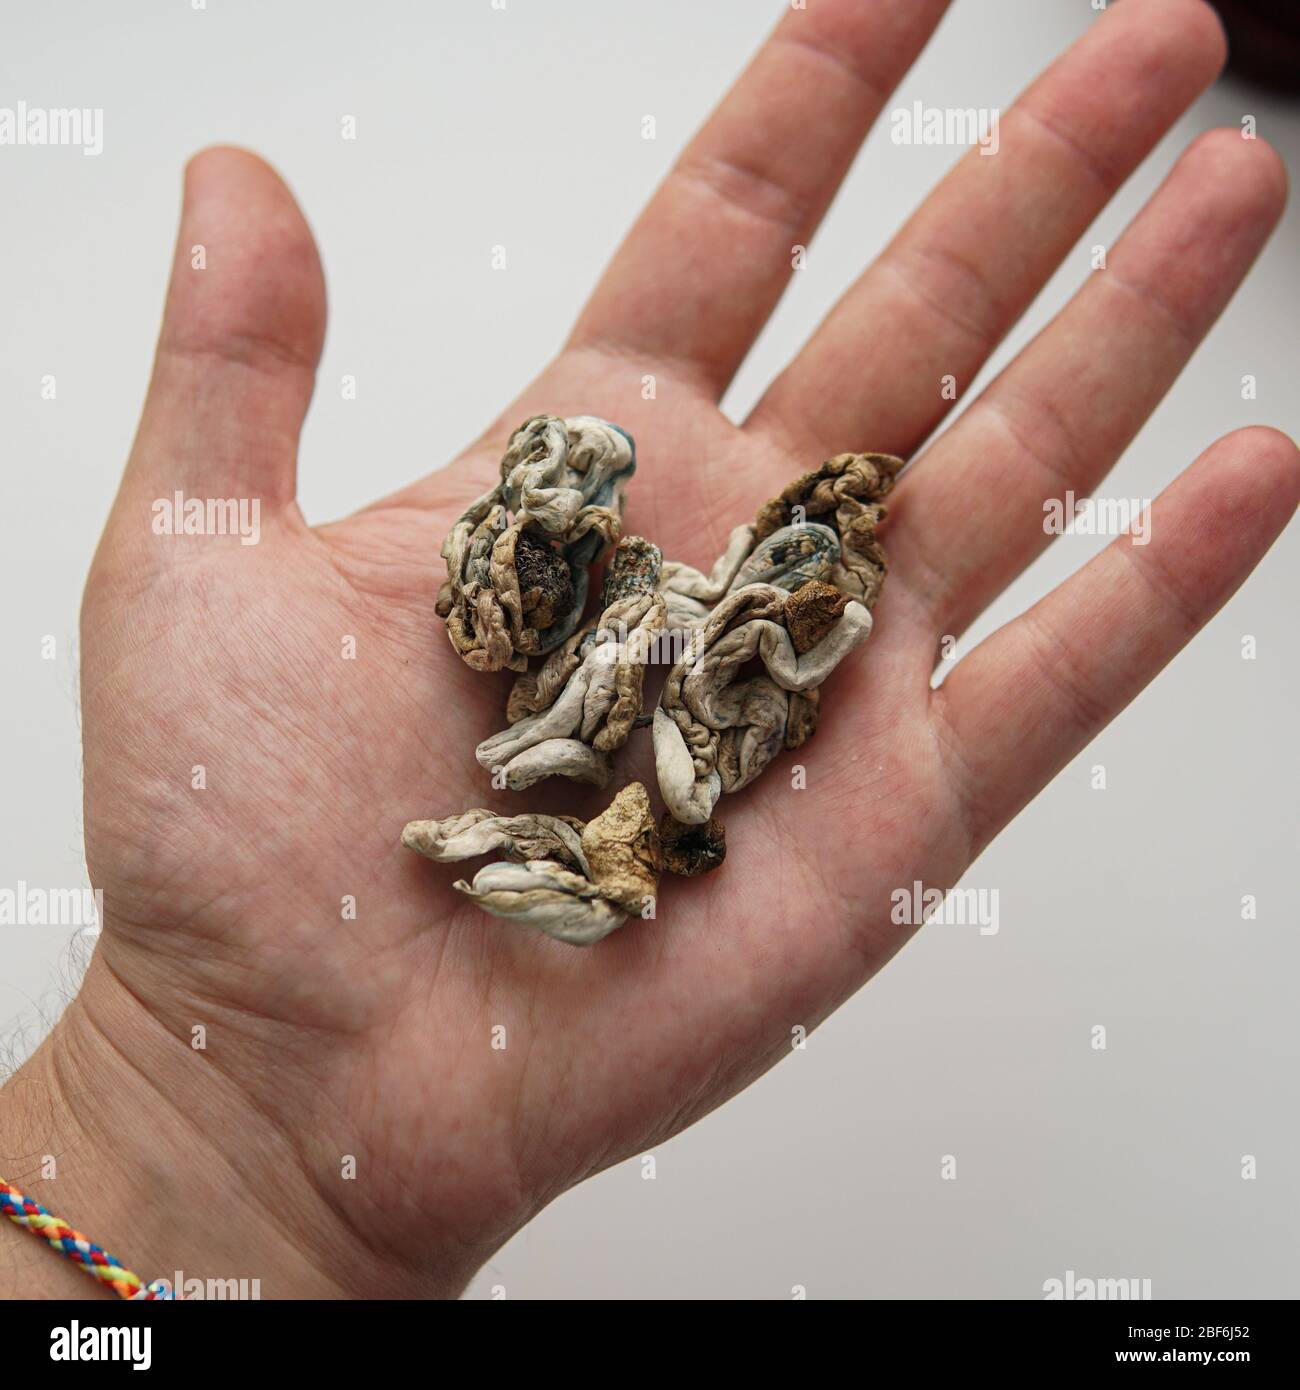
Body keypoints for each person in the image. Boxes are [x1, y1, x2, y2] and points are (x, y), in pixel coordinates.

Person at [1, 0, 1294, 1299]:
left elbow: (783, 661)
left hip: (716, 726)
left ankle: (547, 802)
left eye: (831, 532)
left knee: (653, 768)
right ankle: (531, 772)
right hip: (635, 665)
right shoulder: (652, 551)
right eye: (813, 526)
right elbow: (661, 586)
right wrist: (179, 1102)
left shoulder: (828, 604)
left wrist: (750, 661)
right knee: (583, 709)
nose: (815, 545)